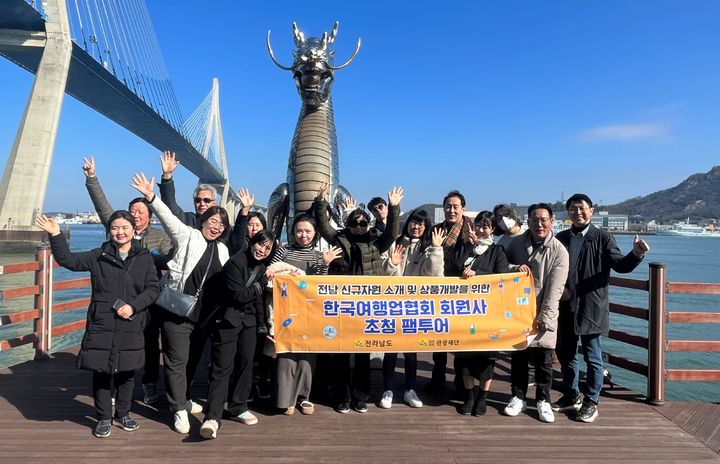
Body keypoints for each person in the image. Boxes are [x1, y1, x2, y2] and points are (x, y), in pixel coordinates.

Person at [36, 211, 160, 438]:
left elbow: (153, 288)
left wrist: (133, 306)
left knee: (126, 373)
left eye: (124, 227)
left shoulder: (144, 257)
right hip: (102, 322)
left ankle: (123, 414)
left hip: (131, 322)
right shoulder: (98, 255)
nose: (120, 232)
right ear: (109, 231)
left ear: (134, 230)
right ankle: (103, 417)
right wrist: (55, 234)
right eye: (115, 228)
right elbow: (69, 261)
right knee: (101, 372)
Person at [131, 172, 231, 435]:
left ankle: (183, 397)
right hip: (177, 309)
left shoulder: (223, 250)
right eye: (212, 221)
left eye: (221, 224)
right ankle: (178, 410)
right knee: (176, 360)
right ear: (203, 221)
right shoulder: (188, 236)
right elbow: (167, 217)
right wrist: (151, 196)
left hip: (204, 316)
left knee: (191, 361)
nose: (216, 226)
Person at [81, 156, 172, 405]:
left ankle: (150, 382)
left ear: (150, 216)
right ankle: (110, 388)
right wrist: (91, 179)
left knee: (150, 345)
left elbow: (167, 259)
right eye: (132, 211)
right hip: (116, 302)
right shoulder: (119, 229)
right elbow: (103, 207)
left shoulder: (160, 237)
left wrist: (151, 257)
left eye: (140, 212)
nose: (135, 215)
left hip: (145, 302)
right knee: (114, 344)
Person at [553, 193, 649, 423]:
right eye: (573, 209)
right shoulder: (561, 237)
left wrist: (636, 253)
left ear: (591, 210)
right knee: (566, 354)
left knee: (593, 356)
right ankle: (571, 394)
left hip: (591, 306)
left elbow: (620, 266)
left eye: (582, 208)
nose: (577, 212)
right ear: (568, 213)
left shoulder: (603, 237)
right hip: (565, 305)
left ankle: (592, 401)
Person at [314, 183, 402, 413]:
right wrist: (320, 202)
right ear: (348, 224)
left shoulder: (376, 241)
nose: (359, 226)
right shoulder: (339, 239)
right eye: (354, 222)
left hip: (368, 307)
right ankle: (341, 396)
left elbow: (393, 233)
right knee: (341, 352)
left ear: (368, 223)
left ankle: (360, 396)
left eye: (363, 222)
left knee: (364, 352)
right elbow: (323, 227)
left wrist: (394, 207)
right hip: (342, 306)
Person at [199, 230, 276, 439]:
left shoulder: (261, 267)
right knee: (222, 367)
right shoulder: (235, 263)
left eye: (268, 248)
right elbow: (238, 295)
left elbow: (258, 301)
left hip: (249, 324)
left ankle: (238, 406)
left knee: (245, 363)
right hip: (228, 321)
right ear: (252, 242)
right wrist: (260, 285)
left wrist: (263, 325)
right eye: (261, 244)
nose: (263, 250)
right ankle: (212, 417)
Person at [269, 214, 342, 416]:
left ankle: (303, 397)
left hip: (310, 313)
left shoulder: (319, 255)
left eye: (308, 231)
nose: (303, 235)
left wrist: (325, 264)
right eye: (299, 230)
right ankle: (285, 399)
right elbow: (271, 274)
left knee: (307, 356)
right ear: (292, 232)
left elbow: (319, 286)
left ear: (315, 233)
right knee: (286, 355)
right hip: (285, 311)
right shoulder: (283, 251)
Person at [503, 203, 569, 423]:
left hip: (543, 311)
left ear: (551, 221)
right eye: (534, 220)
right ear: (528, 221)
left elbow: (556, 288)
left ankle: (543, 400)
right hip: (518, 310)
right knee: (519, 356)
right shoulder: (516, 243)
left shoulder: (559, 250)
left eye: (543, 220)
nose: (539, 224)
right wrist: (514, 269)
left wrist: (545, 317)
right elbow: (502, 267)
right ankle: (518, 396)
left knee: (544, 359)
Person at [380, 208, 445, 409]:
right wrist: (392, 263)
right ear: (408, 223)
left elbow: (433, 277)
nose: (416, 227)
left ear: (426, 228)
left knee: (411, 350)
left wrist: (435, 249)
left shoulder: (429, 247)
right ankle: (388, 389)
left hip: (416, 306)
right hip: (393, 304)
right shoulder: (395, 242)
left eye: (421, 224)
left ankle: (410, 389)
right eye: (413, 222)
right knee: (390, 349)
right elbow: (382, 275)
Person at [455, 211, 510, 416]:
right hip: (464, 312)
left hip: (487, 313)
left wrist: (478, 275)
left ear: (492, 230)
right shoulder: (464, 247)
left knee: (487, 358)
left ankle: (482, 398)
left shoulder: (497, 250)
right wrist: (468, 246)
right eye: (478, 225)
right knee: (464, 356)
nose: (480, 229)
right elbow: (453, 267)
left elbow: (501, 276)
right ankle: (469, 396)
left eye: (485, 227)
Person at [427, 190, 474, 394]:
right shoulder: (436, 229)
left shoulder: (472, 230)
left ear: (463, 208)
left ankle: (461, 383)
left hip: (463, 292)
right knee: (438, 335)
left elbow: (486, 256)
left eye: (455, 206)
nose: (451, 210)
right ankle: (437, 379)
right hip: (439, 290)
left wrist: (476, 244)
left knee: (460, 338)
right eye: (448, 206)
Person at [158, 150, 218, 226]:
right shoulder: (188, 220)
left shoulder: (221, 224)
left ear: (214, 202)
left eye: (207, 200)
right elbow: (170, 205)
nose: (202, 204)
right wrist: (167, 175)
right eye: (198, 200)